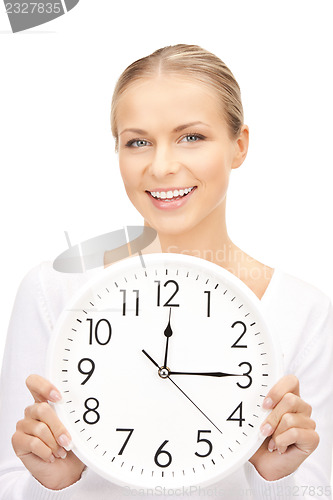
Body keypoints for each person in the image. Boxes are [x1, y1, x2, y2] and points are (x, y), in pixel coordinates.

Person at [0, 44, 332, 499]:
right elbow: (10, 483)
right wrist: (56, 482)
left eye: (191, 137)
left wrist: (275, 476)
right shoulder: (52, 291)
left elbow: (319, 490)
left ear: (239, 145)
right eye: (138, 142)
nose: (161, 166)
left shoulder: (304, 312)